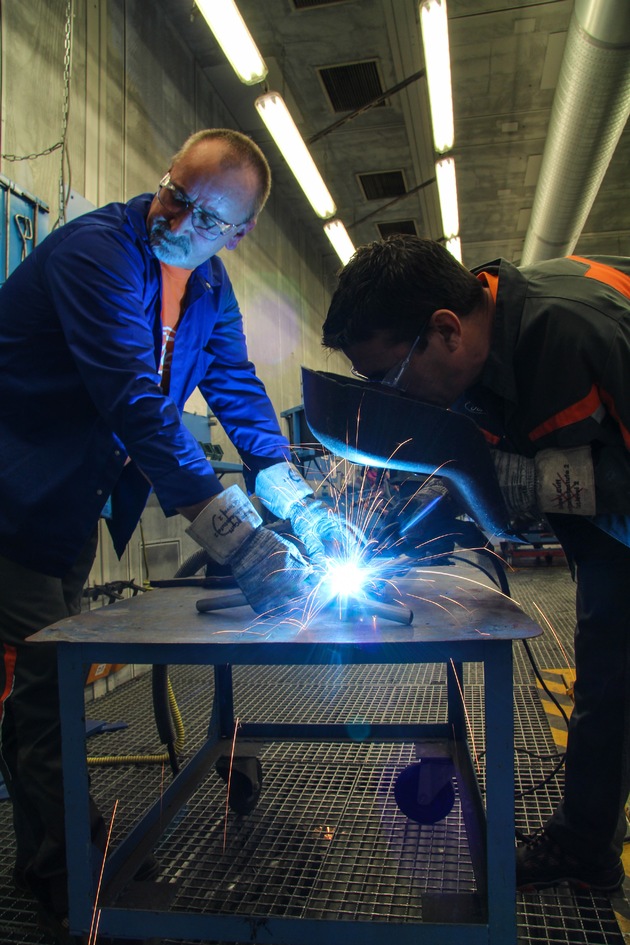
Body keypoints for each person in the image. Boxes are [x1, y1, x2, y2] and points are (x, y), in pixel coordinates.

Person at [0, 128, 347, 943]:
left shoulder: (210, 289)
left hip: (66, 503)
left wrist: (297, 501)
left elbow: (236, 391)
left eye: (203, 215)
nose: (176, 216)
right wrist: (241, 540)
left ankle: (45, 861)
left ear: (238, 232)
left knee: (40, 683)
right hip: (12, 495)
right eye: (173, 192)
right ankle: (78, 877)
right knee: (51, 679)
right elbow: (136, 404)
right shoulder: (96, 253)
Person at [321, 234, 630, 895]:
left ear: (444, 330)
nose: (392, 398)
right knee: (609, 675)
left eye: (389, 381)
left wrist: (547, 485)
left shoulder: (582, 333)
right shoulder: (477, 356)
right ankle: (586, 843)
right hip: (610, 537)